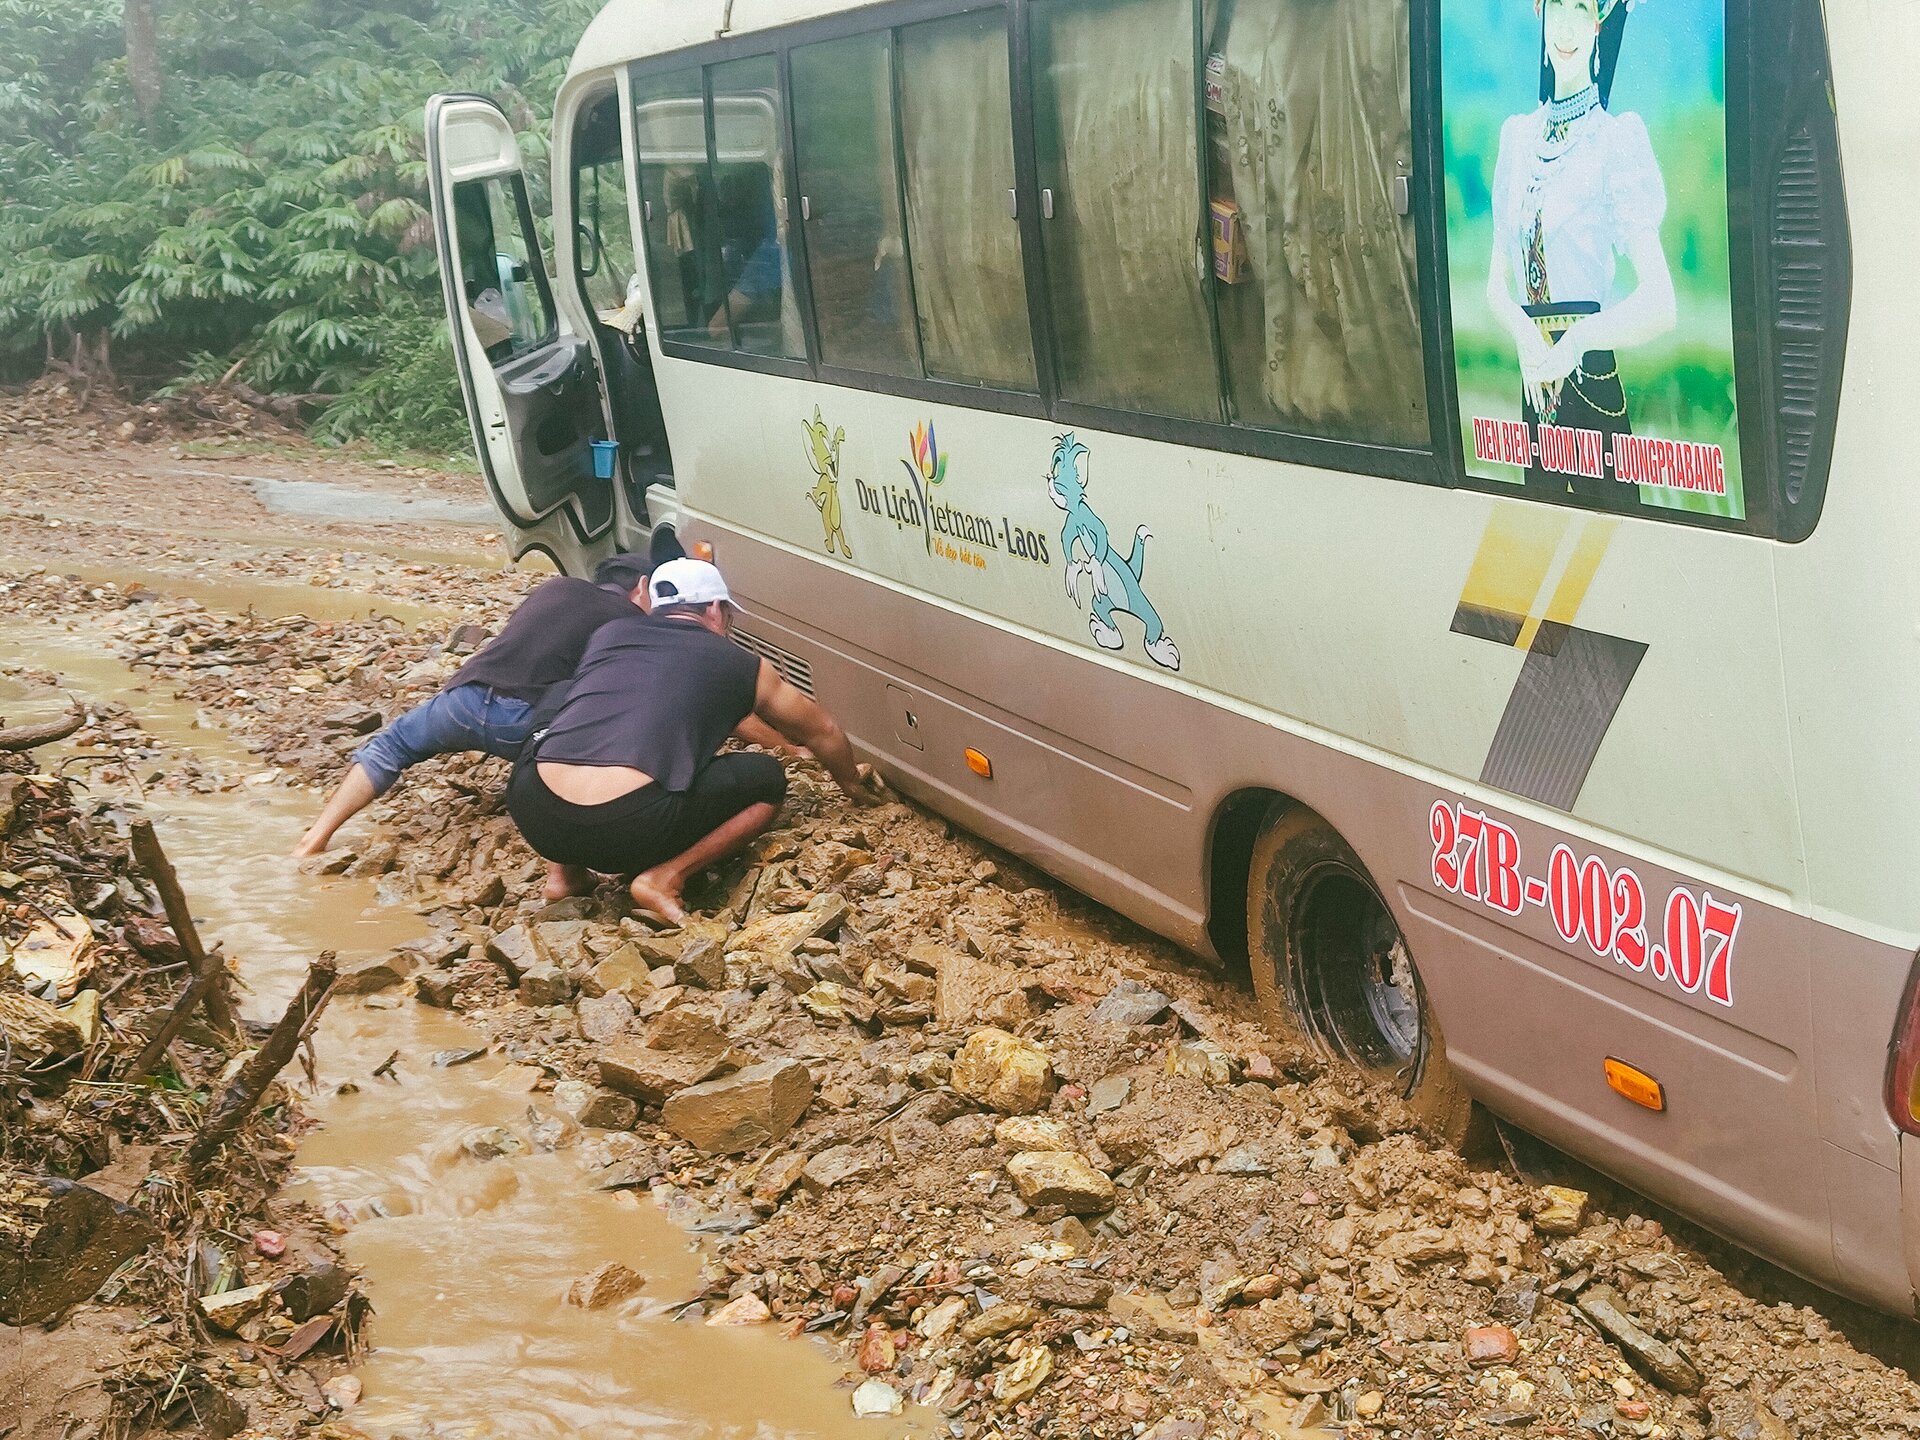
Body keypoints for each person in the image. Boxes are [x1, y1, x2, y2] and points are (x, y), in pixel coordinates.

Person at [507, 558, 879, 918]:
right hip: (625, 828)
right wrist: (851, 784)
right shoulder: (739, 664)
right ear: (715, 610)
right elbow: (821, 730)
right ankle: (665, 878)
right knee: (765, 778)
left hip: (534, 812)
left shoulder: (608, 635)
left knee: (561, 699)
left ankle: (564, 875)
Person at [290, 539, 683, 859]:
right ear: (643, 586)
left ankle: (315, 839)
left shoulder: (555, 587)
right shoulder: (631, 621)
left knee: (387, 749)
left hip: (463, 700)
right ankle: (564, 868)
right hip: (523, 724)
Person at [1485, 0, 1676, 506]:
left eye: (1581, 6)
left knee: (1613, 556)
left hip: (1591, 386)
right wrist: (1526, 335)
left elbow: (1661, 303)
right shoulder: (1517, 138)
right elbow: (1494, 289)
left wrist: (1575, 344)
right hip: (1534, 394)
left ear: (1598, 23)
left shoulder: (1616, 141)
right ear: (1539, 14)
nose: (1566, 25)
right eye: (1556, 6)